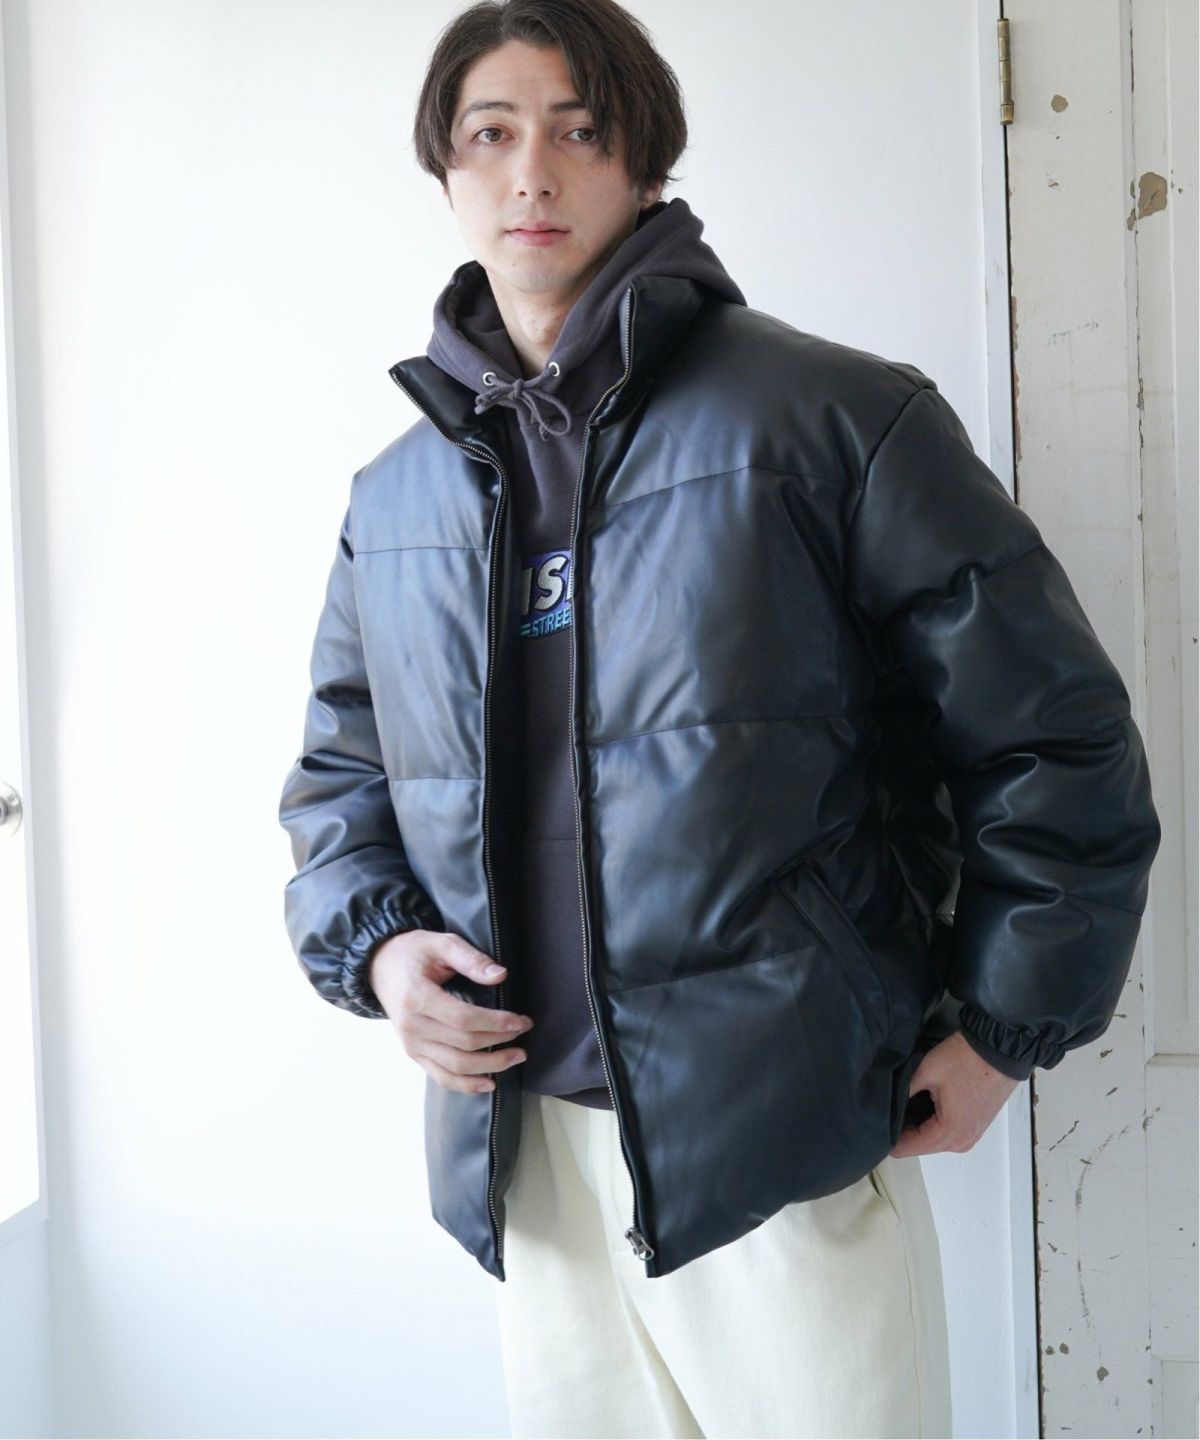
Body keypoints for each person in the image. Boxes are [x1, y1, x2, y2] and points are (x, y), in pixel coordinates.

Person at [277, 2, 1162, 1435]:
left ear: (645, 160)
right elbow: (339, 785)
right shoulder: (399, 500)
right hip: (528, 1163)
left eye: (578, 130)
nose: (531, 173)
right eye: (490, 134)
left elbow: (1051, 737)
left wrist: (1008, 1031)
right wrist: (379, 955)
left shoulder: (834, 421)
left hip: (782, 1149)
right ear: (444, 169)